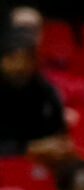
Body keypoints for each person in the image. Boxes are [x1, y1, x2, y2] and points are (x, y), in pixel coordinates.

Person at [0, 31, 70, 159]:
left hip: (40, 162)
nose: (20, 66)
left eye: (27, 59)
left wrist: (58, 147)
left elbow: (59, 133)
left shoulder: (45, 91)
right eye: (12, 59)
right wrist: (29, 149)